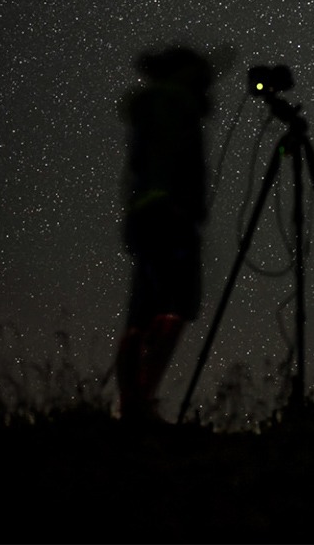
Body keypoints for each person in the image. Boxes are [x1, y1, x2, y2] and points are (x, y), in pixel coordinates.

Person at [116, 45, 214, 425]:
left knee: (149, 309)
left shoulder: (158, 102)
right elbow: (167, 155)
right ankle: (140, 401)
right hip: (169, 215)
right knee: (170, 306)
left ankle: (135, 402)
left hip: (151, 214)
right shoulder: (172, 102)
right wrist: (177, 203)